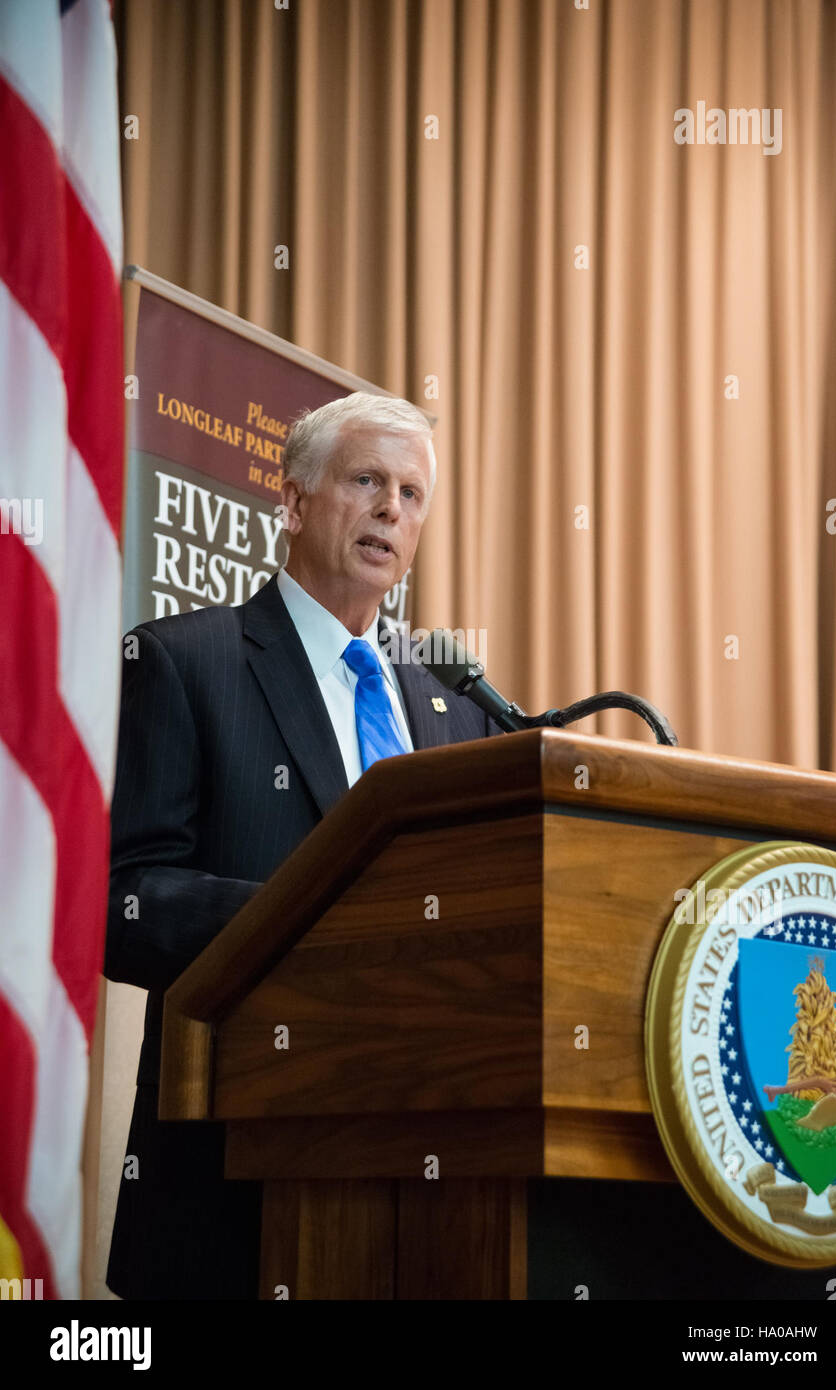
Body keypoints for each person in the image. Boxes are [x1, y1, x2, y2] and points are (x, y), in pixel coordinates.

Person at [103, 392, 498, 1299]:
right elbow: (125, 903)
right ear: (292, 502)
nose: (391, 509)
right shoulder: (185, 662)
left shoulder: (457, 700)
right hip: (239, 1168)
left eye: (411, 493)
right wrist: (320, 920)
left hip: (434, 1179)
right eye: (365, 481)